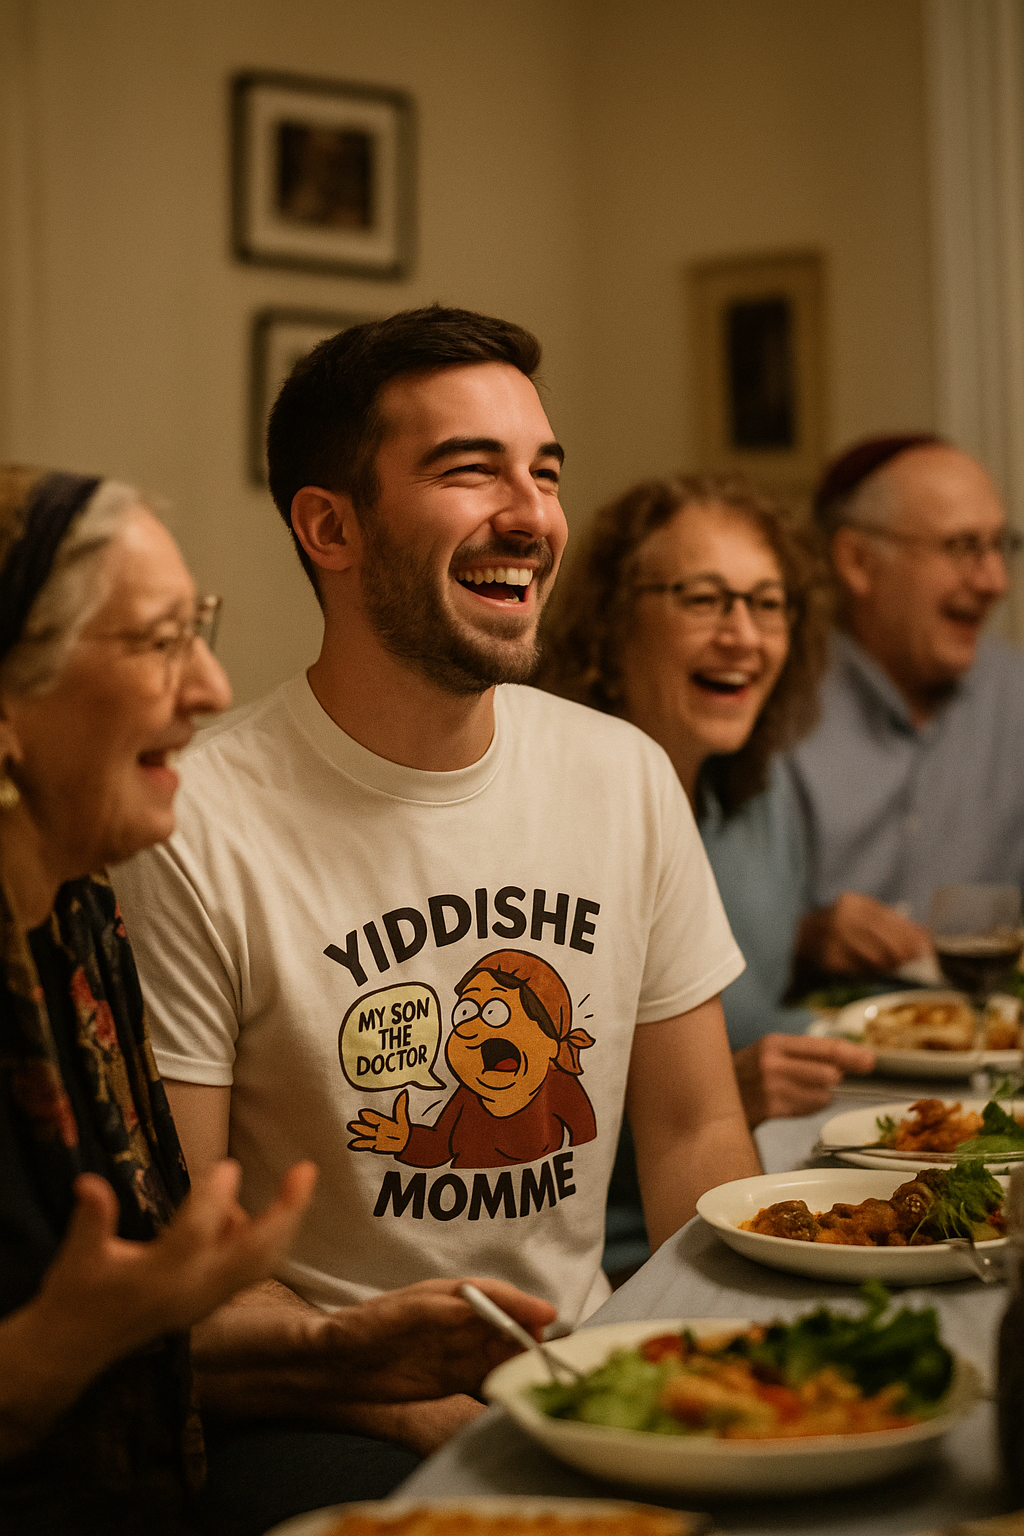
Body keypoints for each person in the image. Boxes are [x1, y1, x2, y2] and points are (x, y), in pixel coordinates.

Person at [111, 305, 761, 1460]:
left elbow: (693, 1131)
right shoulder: (192, 823)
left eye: (545, 472)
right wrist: (425, 1409)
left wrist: (720, 1376)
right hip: (328, 1413)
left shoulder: (622, 774)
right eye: (471, 472)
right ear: (331, 526)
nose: (532, 517)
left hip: (590, 1378)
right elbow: (184, 1259)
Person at [0, 465, 554, 1536]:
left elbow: (149, 1333)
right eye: (160, 642)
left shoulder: (75, 924)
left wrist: (335, 1354)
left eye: (198, 631)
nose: (210, 685)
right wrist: (67, 1347)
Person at [537, 473, 874, 1132]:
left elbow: (755, 1011)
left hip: (767, 1175)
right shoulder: (548, 826)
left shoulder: (764, 797)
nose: (743, 635)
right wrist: (718, 1100)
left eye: (768, 603)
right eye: (702, 599)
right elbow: (508, 1112)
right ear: (612, 620)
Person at [787, 434, 1024, 978]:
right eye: (963, 546)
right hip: (822, 1040)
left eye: (1000, 545)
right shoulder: (769, 704)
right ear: (859, 561)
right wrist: (802, 936)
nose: (995, 581)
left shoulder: (1014, 697)